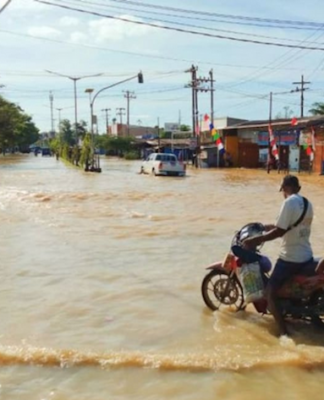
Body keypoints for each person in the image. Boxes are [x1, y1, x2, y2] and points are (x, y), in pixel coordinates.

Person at [242, 175, 314, 336]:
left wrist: (255, 240)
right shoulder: (307, 203)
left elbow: (280, 231)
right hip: (306, 255)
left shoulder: (288, 202)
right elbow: (290, 225)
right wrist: (265, 227)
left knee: (269, 292)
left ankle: (283, 332)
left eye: (282, 190)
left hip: (290, 258)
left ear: (285, 188)